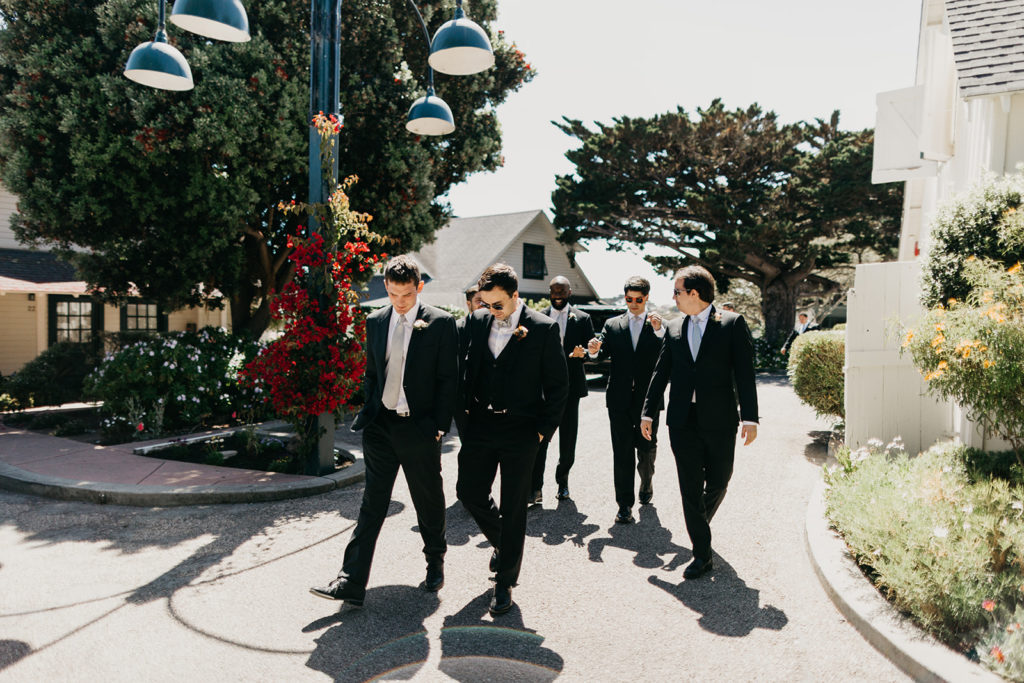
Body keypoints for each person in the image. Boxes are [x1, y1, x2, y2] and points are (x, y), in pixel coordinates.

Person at [311, 255, 458, 607]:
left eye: (406, 294)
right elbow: (373, 372)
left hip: (420, 428)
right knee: (371, 505)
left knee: (428, 500)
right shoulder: (375, 321)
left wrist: (438, 428)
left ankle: (435, 560)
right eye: (393, 294)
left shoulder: (440, 323)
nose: (400, 302)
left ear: (418, 288)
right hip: (380, 426)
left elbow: (448, 380)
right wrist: (369, 409)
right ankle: (351, 581)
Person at [456, 263, 568, 615]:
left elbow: (558, 387)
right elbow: (462, 367)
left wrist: (541, 433)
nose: (491, 311)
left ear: (516, 296)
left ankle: (505, 583)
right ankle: (505, 543)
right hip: (481, 426)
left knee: (514, 505)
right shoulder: (476, 322)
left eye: (498, 305)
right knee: (468, 491)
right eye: (485, 304)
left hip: (522, 431)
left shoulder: (543, 329)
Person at [641, 265, 758, 580]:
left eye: (677, 291)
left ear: (694, 293)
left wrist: (750, 417)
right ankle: (702, 554)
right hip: (682, 421)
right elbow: (660, 371)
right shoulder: (675, 328)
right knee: (690, 488)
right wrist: (648, 411)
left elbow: (745, 374)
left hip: (720, 419)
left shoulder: (731, 324)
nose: (674, 297)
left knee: (720, 480)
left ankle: (697, 522)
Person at [587, 276, 665, 524]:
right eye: (629, 299)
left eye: (638, 299)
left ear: (646, 298)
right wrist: (593, 351)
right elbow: (601, 356)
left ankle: (647, 481)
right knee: (621, 453)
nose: (633, 304)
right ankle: (624, 505)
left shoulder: (657, 325)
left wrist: (659, 330)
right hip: (618, 399)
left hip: (647, 400)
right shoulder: (612, 325)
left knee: (646, 448)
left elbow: (668, 352)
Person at [530, 275, 594, 504]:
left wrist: (584, 354)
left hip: (571, 387)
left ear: (569, 292)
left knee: (568, 440)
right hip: (544, 389)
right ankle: (535, 488)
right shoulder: (538, 317)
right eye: (553, 292)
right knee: (540, 438)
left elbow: (592, 349)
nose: (557, 296)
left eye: (561, 292)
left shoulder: (583, 318)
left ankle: (563, 482)